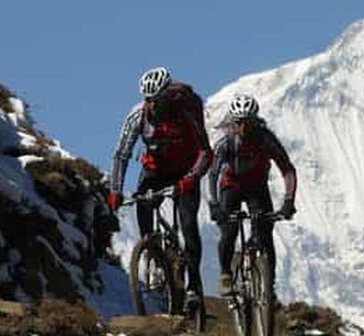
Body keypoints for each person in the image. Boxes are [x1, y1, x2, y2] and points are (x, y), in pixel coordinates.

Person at [108, 67, 212, 312]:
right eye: (148, 100)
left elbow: (206, 152)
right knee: (143, 204)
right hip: (155, 170)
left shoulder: (186, 110)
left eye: (158, 100)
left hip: (186, 170)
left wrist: (192, 178)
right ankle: (153, 255)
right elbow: (121, 154)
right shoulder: (138, 117)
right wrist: (115, 190)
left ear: (168, 96)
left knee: (188, 225)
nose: (153, 105)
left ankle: (193, 288)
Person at [208, 94, 297, 297]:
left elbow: (287, 169)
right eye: (239, 123)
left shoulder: (266, 139)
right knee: (229, 231)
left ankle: (268, 285)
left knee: (265, 234)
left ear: (255, 120)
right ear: (232, 122)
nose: (244, 128)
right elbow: (213, 174)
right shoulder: (226, 143)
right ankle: (226, 274)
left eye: (248, 123)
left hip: (257, 187)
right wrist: (214, 204)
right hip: (231, 186)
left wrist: (289, 201)